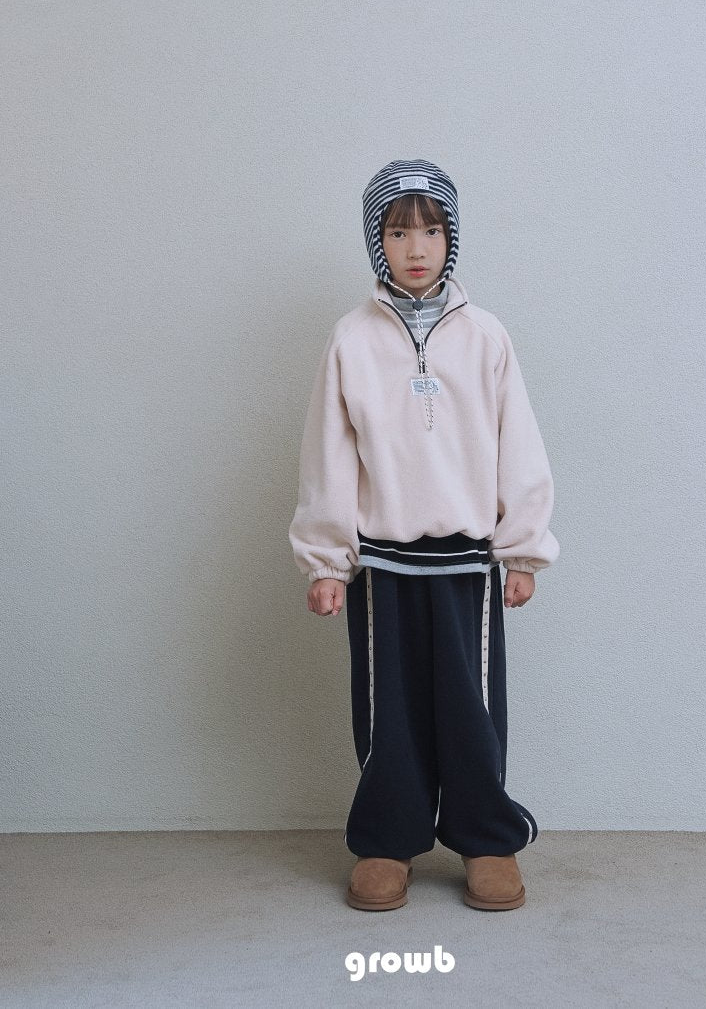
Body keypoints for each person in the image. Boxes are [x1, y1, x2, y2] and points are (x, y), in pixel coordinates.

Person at [288, 159, 559, 911]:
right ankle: (387, 839)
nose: (417, 247)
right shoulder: (352, 339)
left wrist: (523, 548)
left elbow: (518, 445)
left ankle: (486, 838)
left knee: (471, 709)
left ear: (452, 239)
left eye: (432, 231)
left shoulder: (485, 336)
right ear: (376, 242)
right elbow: (328, 454)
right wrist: (327, 561)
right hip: (383, 564)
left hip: (468, 564)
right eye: (399, 231)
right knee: (390, 712)